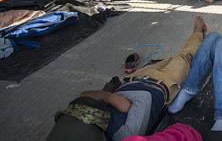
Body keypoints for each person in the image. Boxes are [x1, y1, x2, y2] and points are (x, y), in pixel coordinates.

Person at [46, 16, 208, 141]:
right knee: (186, 58)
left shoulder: (88, 120)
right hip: (162, 84)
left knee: (174, 58)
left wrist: (111, 98)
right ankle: (199, 34)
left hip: (135, 78)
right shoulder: (124, 135)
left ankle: (198, 40)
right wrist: (109, 98)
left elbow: (85, 95)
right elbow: (144, 99)